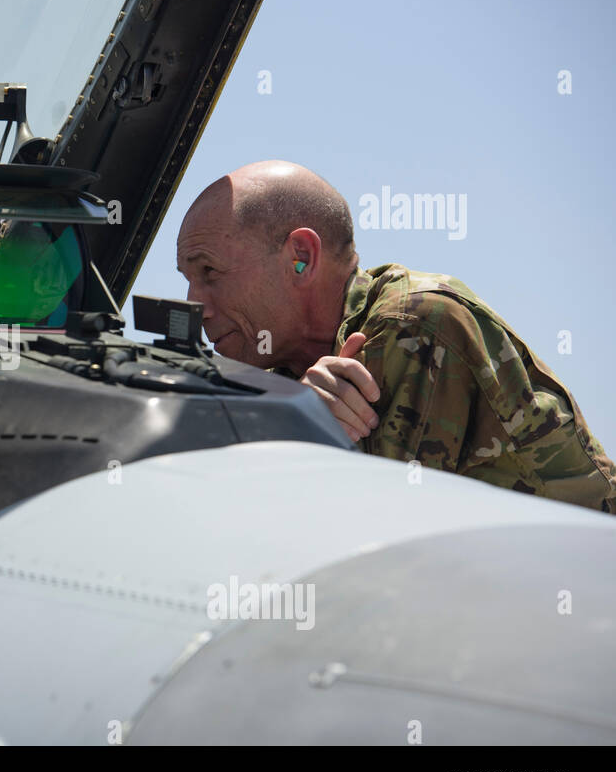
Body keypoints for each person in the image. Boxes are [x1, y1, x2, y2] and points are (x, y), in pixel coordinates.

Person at [176, 159, 616, 513]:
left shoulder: (413, 325)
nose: (197, 305)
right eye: (188, 279)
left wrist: (292, 424)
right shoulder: (289, 373)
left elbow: (364, 533)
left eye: (209, 272)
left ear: (301, 258)